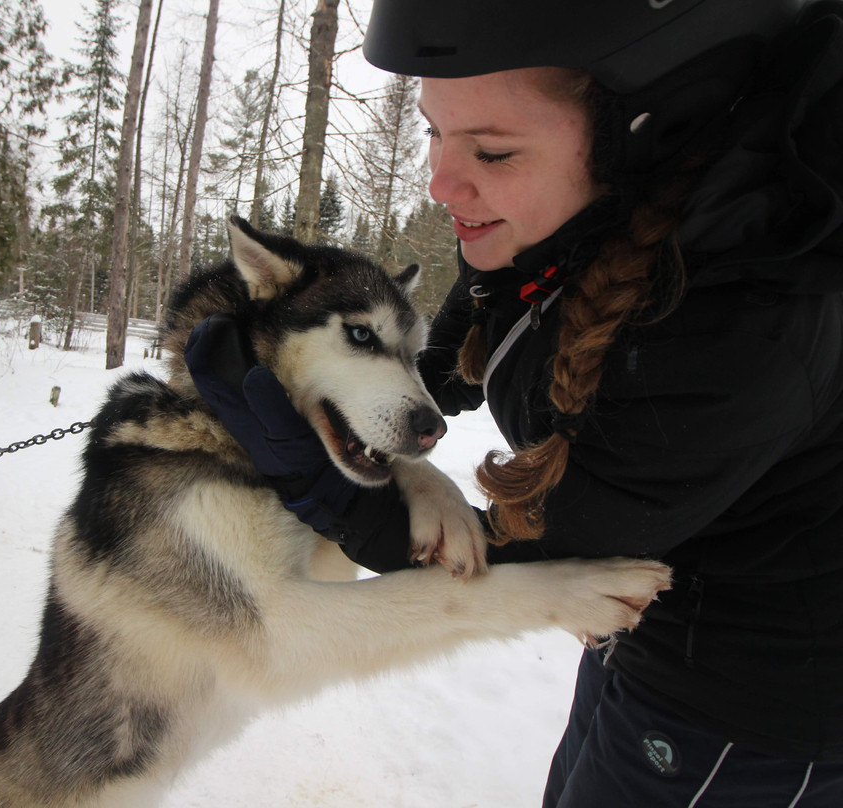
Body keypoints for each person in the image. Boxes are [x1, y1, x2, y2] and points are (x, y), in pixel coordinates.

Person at [183, 0, 843, 804]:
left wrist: (325, 486)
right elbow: (467, 353)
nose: (439, 182)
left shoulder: (744, 319)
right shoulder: (552, 229)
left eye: (492, 152)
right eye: (432, 129)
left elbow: (521, 553)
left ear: (642, 133)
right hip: (645, 626)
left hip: (754, 700)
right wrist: (351, 391)